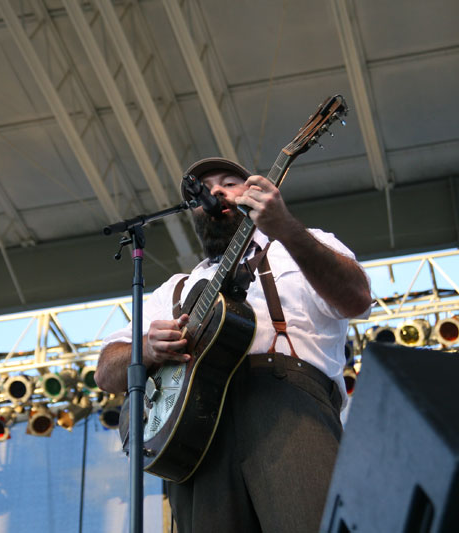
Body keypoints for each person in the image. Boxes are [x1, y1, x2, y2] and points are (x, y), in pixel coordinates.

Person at [95, 157, 371, 533]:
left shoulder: (301, 243)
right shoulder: (174, 289)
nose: (216, 192)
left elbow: (356, 298)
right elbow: (106, 370)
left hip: (289, 412)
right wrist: (146, 348)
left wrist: (286, 228)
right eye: (203, 191)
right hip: (195, 438)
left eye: (229, 182)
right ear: (193, 211)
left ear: (254, 193)